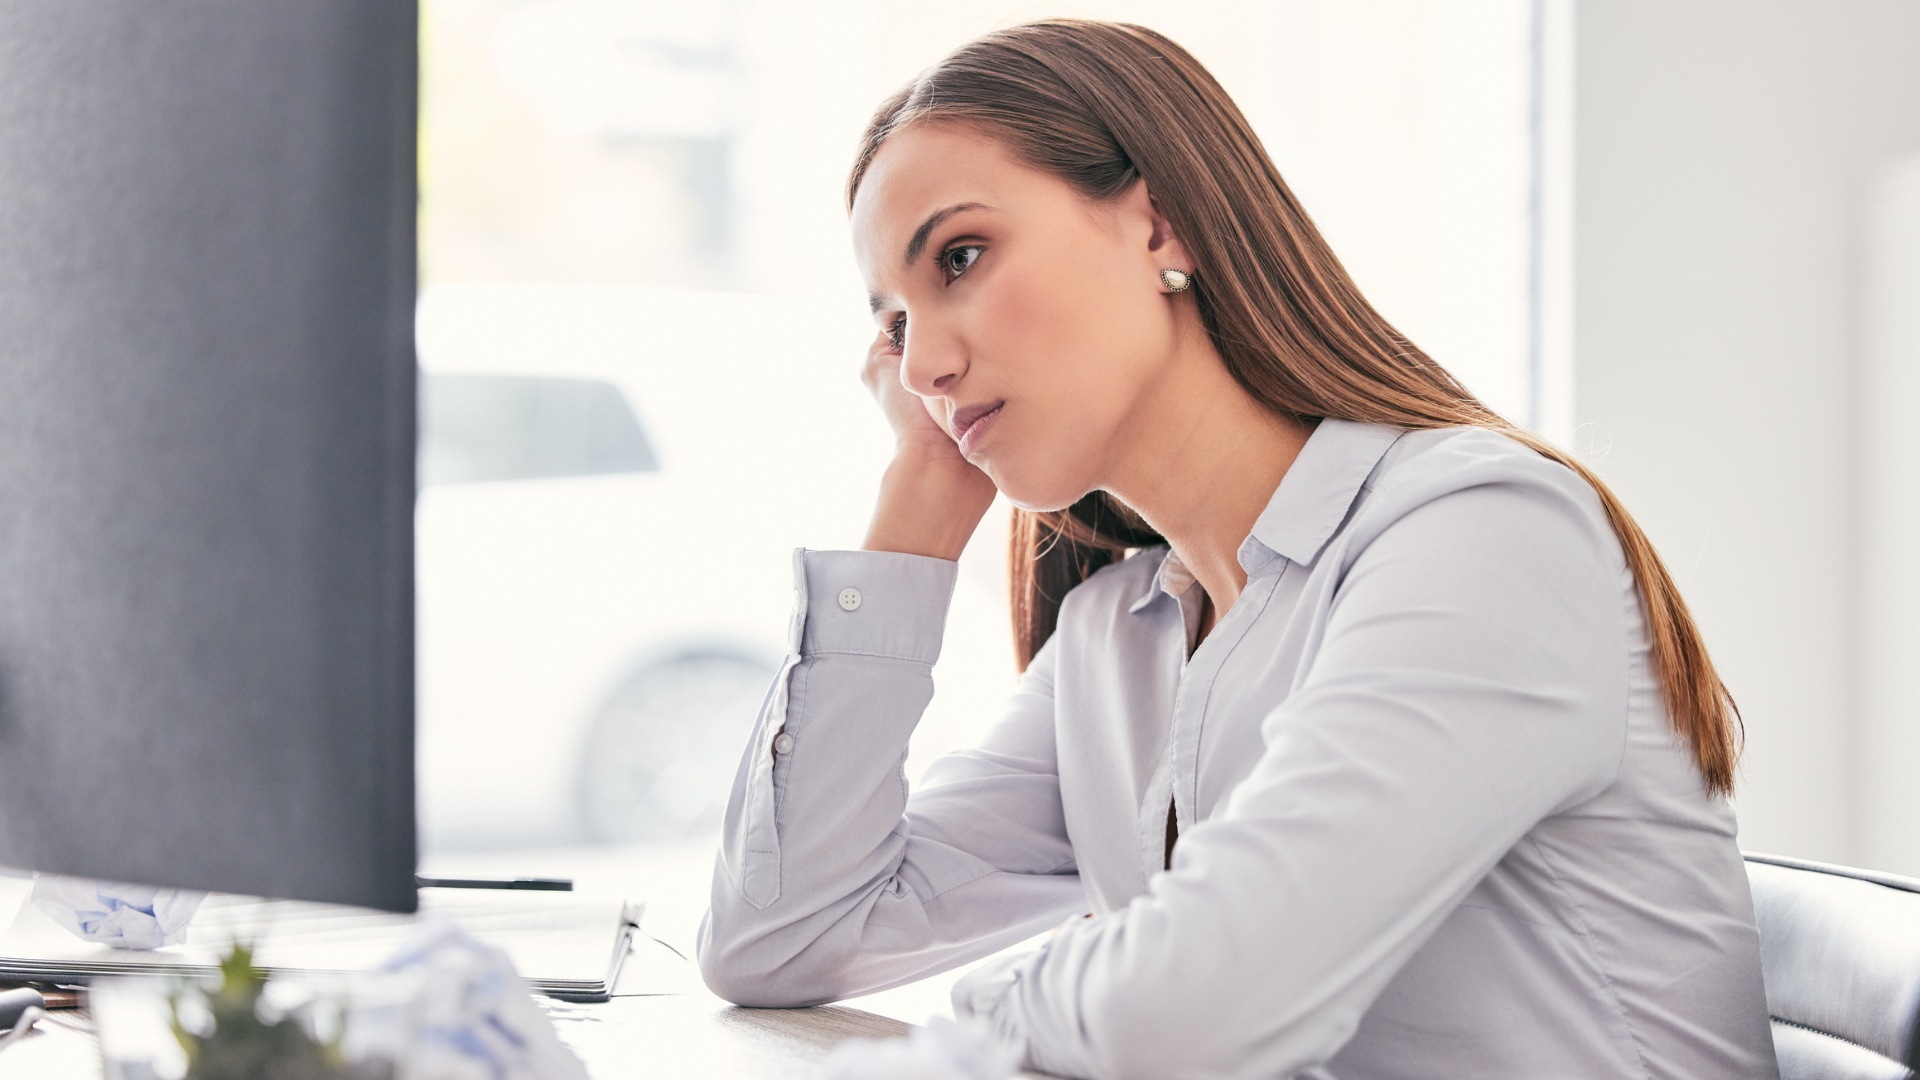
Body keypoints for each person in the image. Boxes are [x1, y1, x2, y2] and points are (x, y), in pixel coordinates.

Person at [698, 19, 1778, 1080]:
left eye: (961, 258)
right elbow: (777, 941)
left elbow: (1194, 1016)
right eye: (892, 325)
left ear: (1162, 227)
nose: (923, 361)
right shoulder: (1119, 635)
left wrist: (987, 1006)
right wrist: (916, 517)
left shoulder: (1482, 534)